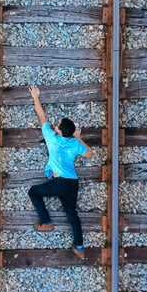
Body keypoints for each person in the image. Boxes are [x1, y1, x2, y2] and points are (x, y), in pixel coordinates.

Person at [28, 84, 93, 258]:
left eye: (57, 125)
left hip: (60, 182)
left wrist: (36, 97)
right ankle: (79, 247)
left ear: (59, 131)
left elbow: (41, 116)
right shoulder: (74, 143)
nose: (55, 125)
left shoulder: (51, 138)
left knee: (33, 192)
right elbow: (89, 153)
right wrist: (79, 138)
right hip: (72, 183)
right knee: (71, 213)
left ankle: (47, 222)